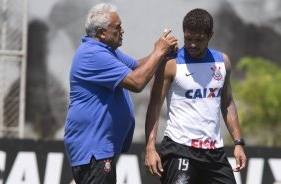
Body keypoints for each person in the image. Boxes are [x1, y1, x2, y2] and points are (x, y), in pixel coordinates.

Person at [63, 3, 177, 184]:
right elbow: (137, 81)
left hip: (99, 147)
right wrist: (159, 52)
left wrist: (162, 54)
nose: (122, 30)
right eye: (117, 27)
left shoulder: (107, 52)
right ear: (101, 32)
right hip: (93, 147)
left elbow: (137, 67)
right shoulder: (93, 54)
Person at [145, 8, 247, 184]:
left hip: (214, 153)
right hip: (179, 149)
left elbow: (228, 103)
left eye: (198, 40)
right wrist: (150, 147)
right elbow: (154, 106)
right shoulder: (171, 64)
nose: (192, 44)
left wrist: (238, 143)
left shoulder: (222, 62)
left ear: (210, 35)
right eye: (188, 38)